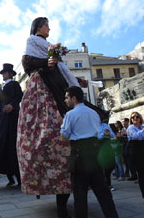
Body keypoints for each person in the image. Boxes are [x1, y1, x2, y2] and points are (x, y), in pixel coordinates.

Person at [16, 17, 102, 218]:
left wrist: (77, 81)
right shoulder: (33, 42)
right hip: (44, 89)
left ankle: (71, 192)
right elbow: (27, 62)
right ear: (38, 27)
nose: (49, 28)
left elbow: (62, 71)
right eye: (46, 25)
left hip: (59, 89)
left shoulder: (50, 46)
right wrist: (47, 62)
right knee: (49, 133)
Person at [60, 86, 119, 218]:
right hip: (94, 152)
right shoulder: (93, 112)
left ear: (73, 98)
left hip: (79, 155)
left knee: (80, 196)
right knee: (103, 193)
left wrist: (62, 123)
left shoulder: (70, 115)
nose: (65, 100)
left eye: (67, 97)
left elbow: (63, 138)